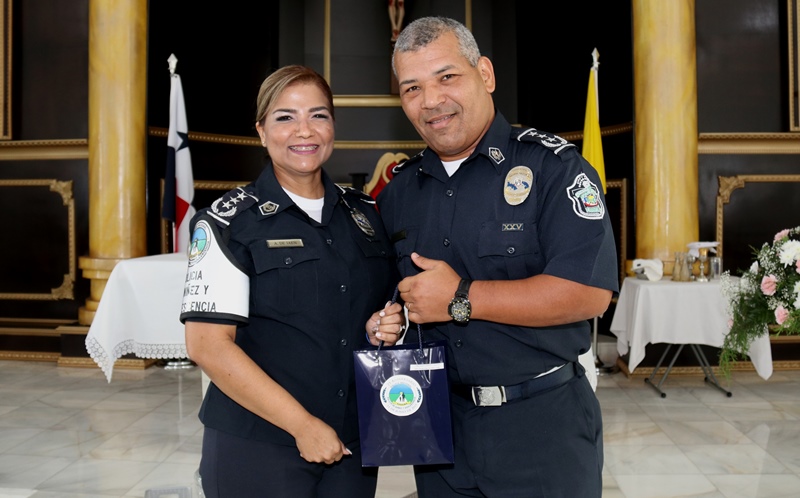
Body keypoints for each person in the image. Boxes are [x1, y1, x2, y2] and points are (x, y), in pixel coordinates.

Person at [376, 17, 619, 497]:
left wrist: (461, 297)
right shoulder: (399, 192)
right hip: (439, 427)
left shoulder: (553, 168)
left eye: (447, 77)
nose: (431, 100)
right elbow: (395, 296)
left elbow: (589, 293)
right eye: (412, 88)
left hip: (541, 425)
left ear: (484, 74)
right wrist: (384, 318)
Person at [180, 65, 404, 498]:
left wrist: (381, 325)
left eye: (318, 115)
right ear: (262, 131)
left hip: (351, 442)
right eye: (285, 117)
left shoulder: (365, 216)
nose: (305, 130)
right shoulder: (227, 223)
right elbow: (207, 345)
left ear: (333, 126)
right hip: (259, 445)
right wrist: (301, 425)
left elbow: (377, 307)